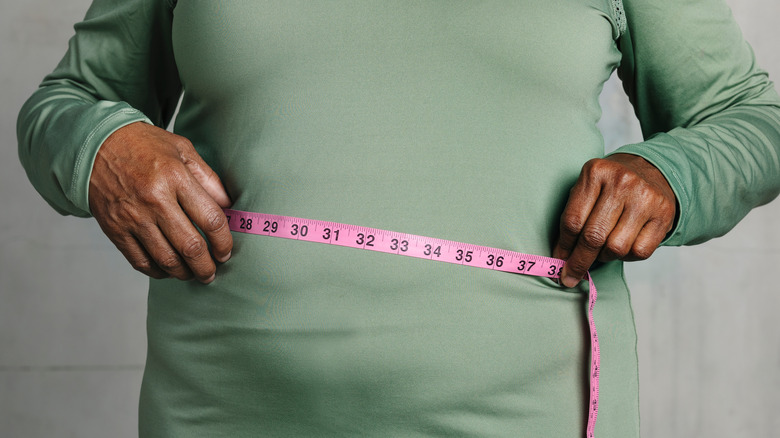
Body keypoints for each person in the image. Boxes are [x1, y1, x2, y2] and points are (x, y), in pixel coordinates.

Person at [16, 1, 780, 436]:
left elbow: (752, 120)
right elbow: (67, 101)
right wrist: (103, 145)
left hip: (527, 418)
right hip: (221, 414)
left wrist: (671, 174)